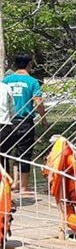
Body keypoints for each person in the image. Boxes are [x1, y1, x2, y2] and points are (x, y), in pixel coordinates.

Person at [3, 54, 48, 192]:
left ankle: (7, 185)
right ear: (29, 65)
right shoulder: (32, 82)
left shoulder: (6, 80)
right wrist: (43, 118)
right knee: (24, 154)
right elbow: (38, 102)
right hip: (25, 122)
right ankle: (23, 187)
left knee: (5, 153)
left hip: (7, 122)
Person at [0, 81, 16, 168]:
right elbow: (12, 110)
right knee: (4, 159)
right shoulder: (6, 87)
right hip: (4, 126)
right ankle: (6, 180)